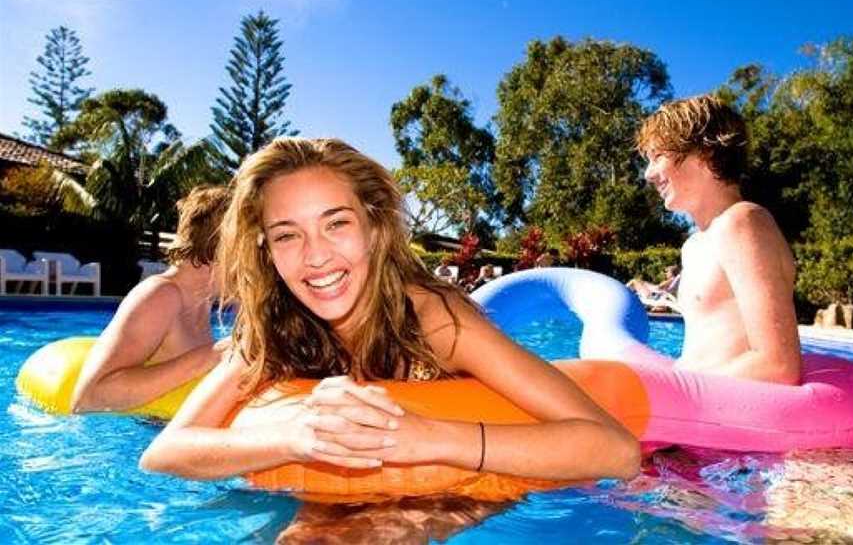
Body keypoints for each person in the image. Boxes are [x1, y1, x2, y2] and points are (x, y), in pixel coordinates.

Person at [139, 137, 639, 484]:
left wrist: (428, 437)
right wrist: (293, 437)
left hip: (449, 490)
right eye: (287, 235)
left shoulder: (432, 318)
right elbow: (164, 453)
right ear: (266, 250)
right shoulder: (275, 325)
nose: (315, 256)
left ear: (375, 227)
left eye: (336, 224)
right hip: (318, 492)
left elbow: (616, 450)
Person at [637, 94, 802, 384]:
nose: (649, 174)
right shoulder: (694, 245)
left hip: (726, 414)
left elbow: (777, 364)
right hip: (701, 405)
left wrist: (677, 393)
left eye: (658, 156)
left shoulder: (743, 222)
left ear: (705, 153)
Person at [71, 185, 230, 413]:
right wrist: (212, 355)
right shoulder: (161, 296)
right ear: (224, 248)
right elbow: (89, 398)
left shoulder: (202, 301)